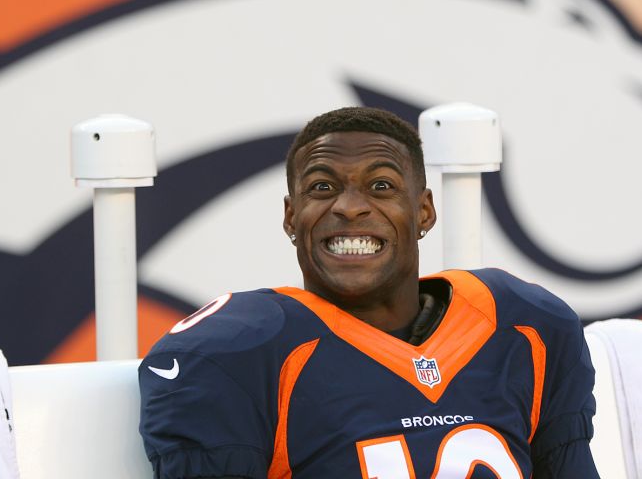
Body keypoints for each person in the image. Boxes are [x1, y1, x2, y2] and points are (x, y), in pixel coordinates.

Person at [138, 107, 599, 478]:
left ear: (423, 211)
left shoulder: (523, 324)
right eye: (322, 187)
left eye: (381, 186)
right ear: (290, 217)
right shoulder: (239, 351)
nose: (351, 207)